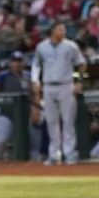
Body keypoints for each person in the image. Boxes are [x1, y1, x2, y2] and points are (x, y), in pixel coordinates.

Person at [31, 22, 86, 165]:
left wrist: (79, 81)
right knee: (51, 122)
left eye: (64, 29)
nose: (63, 31)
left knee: (68, 122)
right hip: (48, 86)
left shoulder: (71, 46)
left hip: (66, 85)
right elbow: (36, 64)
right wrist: (35, 80)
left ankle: (69, 154)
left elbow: (81, 63)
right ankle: (54, 155)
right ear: (52, 31)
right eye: (60, 29)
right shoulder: (41, 47)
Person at [0, 51, 41, 161]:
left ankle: (33, 164)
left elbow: (35, 93)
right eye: (15, 61)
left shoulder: (28, 76)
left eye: (19, 61)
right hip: (6, 113)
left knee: (31, 141)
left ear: (23, 62)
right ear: (10, 63)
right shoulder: (3, 75)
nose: (17, 64)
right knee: (1, 140)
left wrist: (36, 109)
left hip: (25, 115)